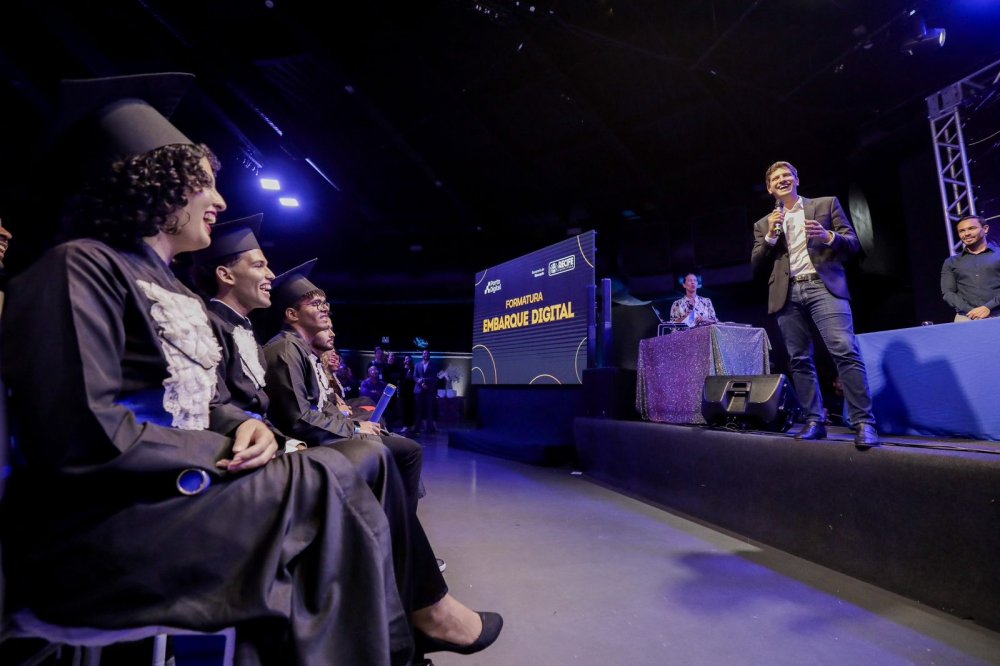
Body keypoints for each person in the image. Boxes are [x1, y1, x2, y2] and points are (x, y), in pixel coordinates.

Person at [0, 73, 411, 664]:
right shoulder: (77, 266)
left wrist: (247, 428)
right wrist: (219, 453)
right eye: (204, 184)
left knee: (328, 497)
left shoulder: (168, 284)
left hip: (169, 492)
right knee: (326, 484)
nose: (219, 201)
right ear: (156, 182)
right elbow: (84, 432)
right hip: (98, 524)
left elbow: (194, 399)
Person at [261, 262, 499, 655]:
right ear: (291, 314)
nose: (324, 308)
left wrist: (352, 421)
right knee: (397, 451)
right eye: (314, 303)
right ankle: (401, 551)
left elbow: (321, 407)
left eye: (325, 302)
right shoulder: (285, 348)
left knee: (400, 448)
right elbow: (299, 417)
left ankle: (400, 542)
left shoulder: (300, 349)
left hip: (318, 440)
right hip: (303, 449)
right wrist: (354, 429)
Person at [751, 160, 879, 448]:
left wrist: (828, 236)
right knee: (798, 358)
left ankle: (864, 423)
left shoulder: (826, 204)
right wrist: (770, 235)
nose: (782, 180)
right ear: (770, 188)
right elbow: (756, 264)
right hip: (787, 293)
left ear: (796, 179)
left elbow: (854, 243)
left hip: (823, 286)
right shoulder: (764, 223)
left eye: (787, 175)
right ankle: (814, 421)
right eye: (776, 178)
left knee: (845, 350)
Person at [940, 214, 1000, 322]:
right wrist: (971, 311)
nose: (966, 233)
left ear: (985, 229)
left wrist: (988, 307)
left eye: (972, 228)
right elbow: (948, 293)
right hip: (966, 317)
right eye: (962, 231)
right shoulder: (951, 262)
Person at [413, 349, 439, 435]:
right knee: (418, 410)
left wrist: (424, 380)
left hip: (429, 390)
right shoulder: (417, 365)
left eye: (427, 353)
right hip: (419, 390)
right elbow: (415, 376)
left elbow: (434, 378)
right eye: (424, 353)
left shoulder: (433, 365)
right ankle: (417, 429)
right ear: (422, 355)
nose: (425, 355)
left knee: (429, 410)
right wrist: (421, 382)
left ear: (429, 355)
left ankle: (429, 429)